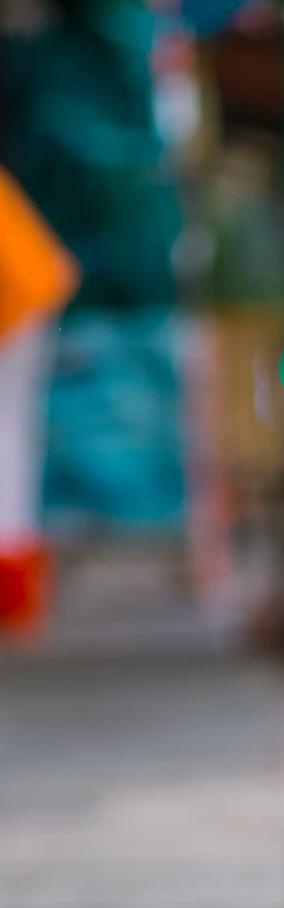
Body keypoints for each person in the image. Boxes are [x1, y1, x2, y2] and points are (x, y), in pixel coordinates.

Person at [0, 165, 80, 636]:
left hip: (18, 301)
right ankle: (14, 581)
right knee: (13, 430)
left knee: (8, 431)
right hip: (31, 290)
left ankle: (11, 583)